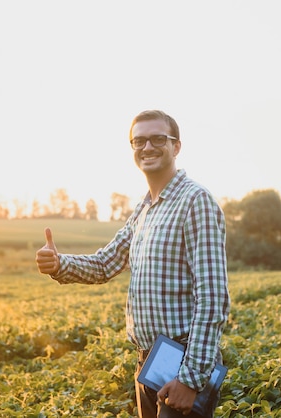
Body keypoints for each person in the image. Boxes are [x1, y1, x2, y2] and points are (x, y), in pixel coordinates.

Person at [36, 110, 230, 418]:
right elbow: (104, 264)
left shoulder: (196, 201)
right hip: (150, 363)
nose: (147, 147)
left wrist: (191, 379)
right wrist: (59, 263)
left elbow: (213, 297)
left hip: (183, 363)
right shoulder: (144, 209)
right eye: (139, 140)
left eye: (157, 139)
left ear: (176, 146)